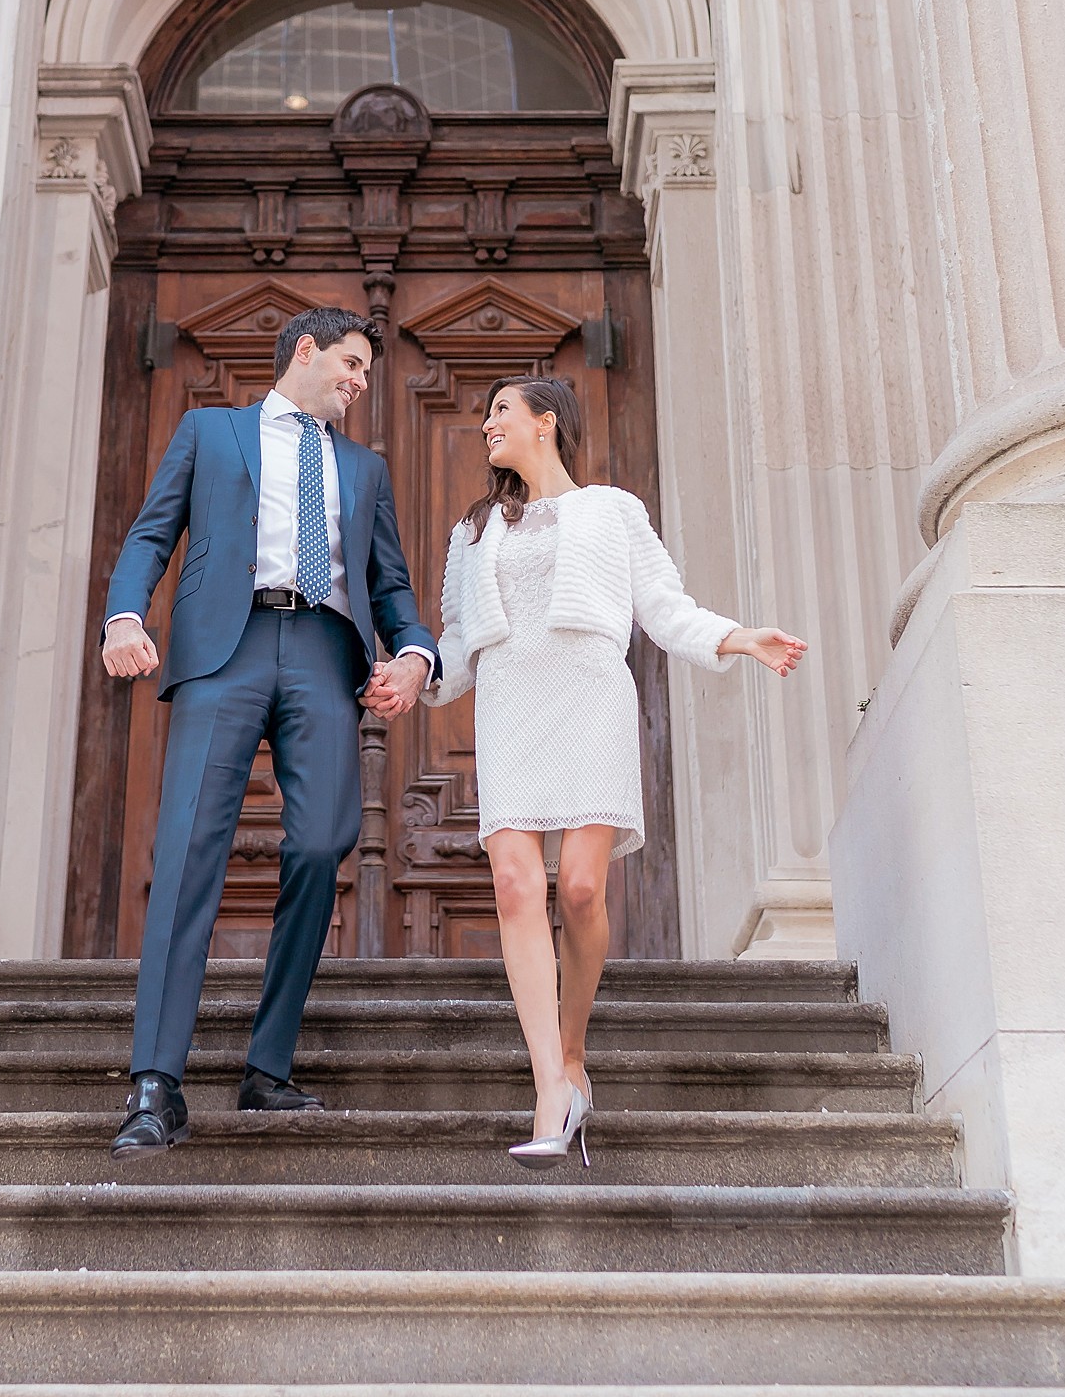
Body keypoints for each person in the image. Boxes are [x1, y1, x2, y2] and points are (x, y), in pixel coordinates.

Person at [427, 376, 806, 1167]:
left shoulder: (614, 510)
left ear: (546, 422)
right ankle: (550, 1090)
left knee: (582, 890)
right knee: (516, 887)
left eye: (501, 409)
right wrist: (414, 676)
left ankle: (573, 1048)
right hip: (508, 704)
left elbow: (664, 608)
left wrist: (739, 637)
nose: (486, 422)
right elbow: (456, 643)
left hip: (589, 698)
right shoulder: (472, 531)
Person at [100, 305, 439, 1155]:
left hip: (324, 656)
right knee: (187, 853)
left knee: (325, 843)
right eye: (353, 365)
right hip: (228, 648)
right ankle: (155, 1083)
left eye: (366, 371)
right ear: (306, 351)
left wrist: (416, 657)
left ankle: (267, 1065)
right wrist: (123, 617)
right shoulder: (211, 432)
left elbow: (389, 585)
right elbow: (152, 534)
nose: (362, 383)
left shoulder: (367, 469)